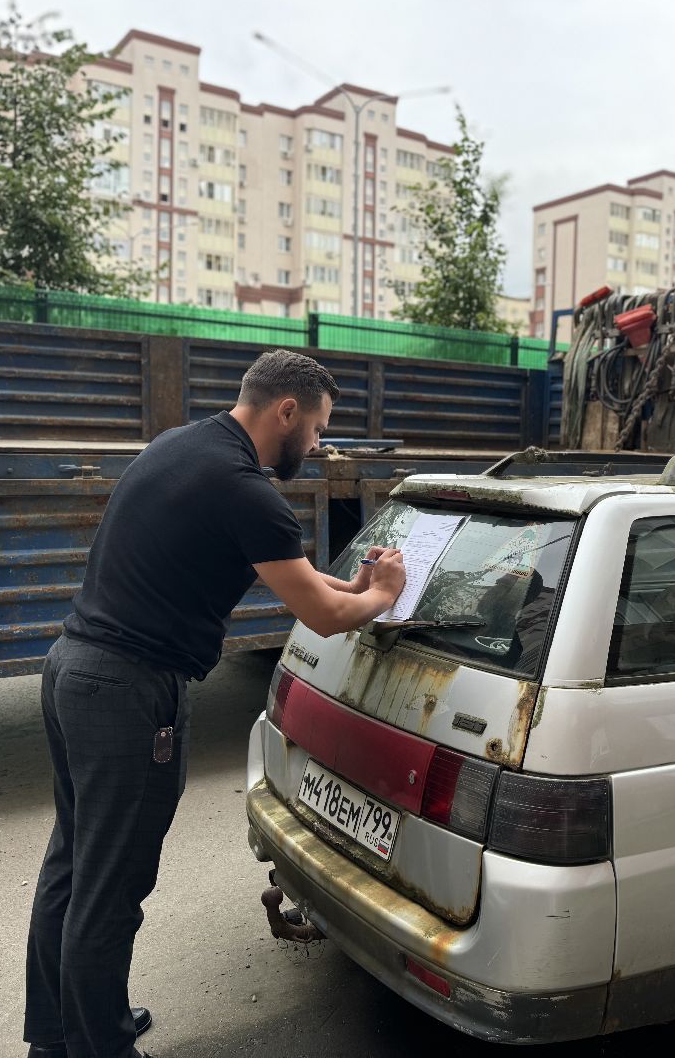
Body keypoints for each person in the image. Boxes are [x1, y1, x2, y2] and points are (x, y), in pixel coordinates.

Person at [23, 349, 405, 1058]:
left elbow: (295, 576)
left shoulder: (185, 446)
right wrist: (381, 596)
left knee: (74, 865)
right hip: (128, 693)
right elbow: (322, 616)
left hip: (74, 669)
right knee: (111, 883)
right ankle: (99, 1046)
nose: (318, 445)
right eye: (318, 428)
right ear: (286, 411)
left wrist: (352, 587)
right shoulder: (245, 489)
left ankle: (61, 1033)